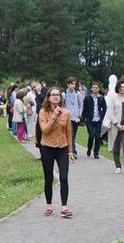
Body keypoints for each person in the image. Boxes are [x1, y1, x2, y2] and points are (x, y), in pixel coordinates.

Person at [38, 87, 75, 218]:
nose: (55, 97)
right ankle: (49, 205)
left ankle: (64, 207)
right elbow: (45, 130)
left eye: (58, 95)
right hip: (47, 148)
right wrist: (53, 116)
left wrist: (70, 151)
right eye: (53, 95)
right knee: (48, 178)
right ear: (48, 98)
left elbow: (69, 133)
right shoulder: (43, 112)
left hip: (62, 148)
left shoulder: (66, 113)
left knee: (64, 177)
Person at [104, 81, 124, 174]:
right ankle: (117, 165)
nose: (123, 88)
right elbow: (110, 112)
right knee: (116, 147)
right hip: (115, 126)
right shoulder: (113, 98)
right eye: (121, 87)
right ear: (118, 88)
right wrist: (116, 123)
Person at [81, 82, 106, 158]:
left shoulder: (101, 98)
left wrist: (103, 117)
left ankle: (96, 153)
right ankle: (89, 149)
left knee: (98, 137)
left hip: (98, 120)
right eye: (94, 87)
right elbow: (84, 109)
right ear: (91, 89)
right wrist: (84, 118)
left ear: (98, 89)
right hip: (90, 120)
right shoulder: (88, 98)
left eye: (96, 88)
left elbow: (105, 109)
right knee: (91, 135)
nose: (95, 89)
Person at [63, 77, 83, 158]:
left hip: (76, 117)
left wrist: (80, 113)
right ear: (68, 85)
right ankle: (73, 151)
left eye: (74, 84)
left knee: (73, 135)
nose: (73, 86)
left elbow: (81, 104)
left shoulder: (77, 94)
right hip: (68, 117)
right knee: (71, 134)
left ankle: (69, 150)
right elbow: (62, 105)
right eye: (71, 84)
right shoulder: (64, 94)